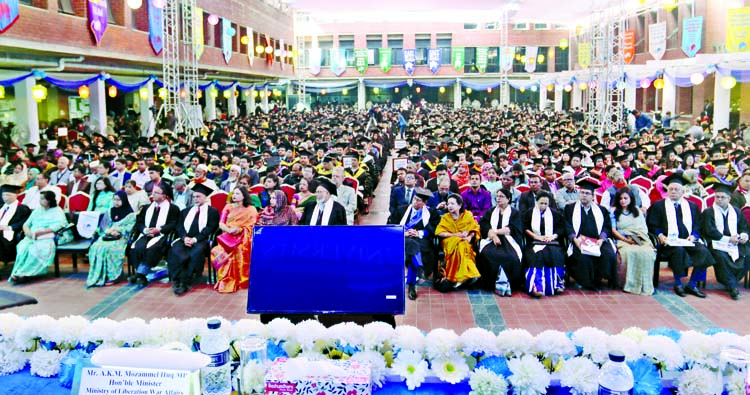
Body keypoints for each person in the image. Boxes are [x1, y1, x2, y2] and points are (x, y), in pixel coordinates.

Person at [646, 172, 714, 298]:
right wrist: (660, 235)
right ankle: (678, 283)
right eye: (670, 189)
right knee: (678, 250)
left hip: (688, 240)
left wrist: (694, 235)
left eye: (676, 189)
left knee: (704, 251)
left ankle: (692, 284)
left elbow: (698, 225)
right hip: (667, 242)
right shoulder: (659, 206)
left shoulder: (692, 206)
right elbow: (652, 225)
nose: (673, 191)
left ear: (683, 191)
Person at [564, 178, 618, 291]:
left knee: (608, 254)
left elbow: (606, 227)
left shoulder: (601, 210)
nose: (584, 195)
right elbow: (567, 225)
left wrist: (602, 239)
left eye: (587, 193)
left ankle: (598, 279)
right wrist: (574, 239)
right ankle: (586, 282)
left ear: (593, 196)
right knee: (583, 257)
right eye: (582, 192)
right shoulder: (570, 209)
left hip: (597, 241)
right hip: (579, 241)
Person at [167, 183, 220, 295]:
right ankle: (180, 279)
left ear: (206, 197)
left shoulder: (213, 212)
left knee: (196, 252)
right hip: (185, 239)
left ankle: (186, 280)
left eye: (199, 196)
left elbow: (210, 228)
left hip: (202, 240)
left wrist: (195, 239)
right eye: (194, 196)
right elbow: (179, 226)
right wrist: (184, 237)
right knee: (175, 250)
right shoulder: (186, 211)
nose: (196, 199)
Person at [701, 183, 750, 300]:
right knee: (721, 256)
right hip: (717, 243)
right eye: (717, 197)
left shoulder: (737, 212)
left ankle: (730, 280)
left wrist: (744, 236)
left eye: (723, 197)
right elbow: (709, 230)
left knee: (748, 254)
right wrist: (727, 239)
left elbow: (744, 227)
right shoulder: (709, 212)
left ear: (729, 198)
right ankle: (732, 286)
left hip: (735, 242)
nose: (719, 200)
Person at [128, 182, 181, 288]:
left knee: (152, 248)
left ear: (164, 196)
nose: (153, 195)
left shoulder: (173, 208)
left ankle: (140, 274)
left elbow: (174, 223)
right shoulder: (147, 207)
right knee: (136, 247)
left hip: (162, 235)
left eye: (156, 193)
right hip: (146, 234)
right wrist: (145, 229)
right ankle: (141, 274)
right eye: (153, 192)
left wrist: (159, 229)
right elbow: (139, 222)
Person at [389, 187, 438, 300]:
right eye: (415, 199)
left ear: (425, 203)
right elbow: (391, 225)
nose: (415, 202)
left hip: (421, 240)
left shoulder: (430, 213)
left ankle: (412, 283)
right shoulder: (401, 210)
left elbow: (434, 229)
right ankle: (418, 272)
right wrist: (403, 233)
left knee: (413, 249)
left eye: (419, 200)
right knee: (411, 244)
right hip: (403, 239)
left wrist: (419, 232)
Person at [8, 191, 68, 283]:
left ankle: (24, 273)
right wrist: (28, 232)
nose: (40, 201)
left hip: (46, 236)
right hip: (32, 235)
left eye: (43, 199)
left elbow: (59, 225)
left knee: (36, 249)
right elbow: (26, 224)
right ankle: (18, 272)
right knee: (22, 247)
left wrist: (41, 232)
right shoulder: (37, 210)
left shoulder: (57, 210)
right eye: (40, 198)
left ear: (49, 200)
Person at [211, 186, 258, 293]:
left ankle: (240, 280)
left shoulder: (251, 209)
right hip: (227, 238)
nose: (234, 196)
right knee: (217, 251)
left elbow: (252, 226)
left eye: (237, 194)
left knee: (239, 249)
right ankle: (224, 279)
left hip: (243, 238)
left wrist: (240, 229)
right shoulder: (228, 207)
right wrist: (228, 230)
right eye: (233, 193)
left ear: (243, 196)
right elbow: (221, 223)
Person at [610, 187, 657, 295]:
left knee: (647, 253)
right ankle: (629, 284)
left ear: (631, 198)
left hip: (638, 237)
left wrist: (637, 238)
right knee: (628, 253)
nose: (623, 201)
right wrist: (625, 239)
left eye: (625, 198)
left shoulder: (637, 211)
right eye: (620, 198)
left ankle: (644, 285)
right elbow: (613, 230)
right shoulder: (613, 211)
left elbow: (643, 228)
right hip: (622, 239)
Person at [85, 190, 136, 287]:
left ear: (124, 200)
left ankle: (113, 276)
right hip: (107, 236)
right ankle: (98, 275)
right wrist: (108, 231)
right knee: (96, 247)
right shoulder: (109, 211)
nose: (116, 202)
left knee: (111, 249)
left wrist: (118, 230)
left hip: (121, 238)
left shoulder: (130, 214)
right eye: (114, 200)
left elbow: (130, 228)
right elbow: (103, 226)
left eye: (119, 200)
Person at [477, 188, 523, 296]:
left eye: (502, 197)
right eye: (497, 196)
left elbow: (513, 228)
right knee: (487, 254)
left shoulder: (515, 213)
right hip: (491, 240)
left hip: (508, 240)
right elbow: (484, 225)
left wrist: (495, 232)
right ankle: (491, 283)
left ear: (508, 199)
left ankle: (507, 284)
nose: (499, 199)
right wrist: (492, 236)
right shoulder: (491, 211)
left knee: (511, 257)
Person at [522, 190, 566, 297]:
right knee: (536, 256)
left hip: (552, 242)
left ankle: (556, 284)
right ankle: (536, 286)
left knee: (556, 255)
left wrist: (552, 237)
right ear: (536, 202)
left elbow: (560, 229)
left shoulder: (555, 214)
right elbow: (524, 228)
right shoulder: (528, 213)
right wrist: (536, 237)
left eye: (546, 203)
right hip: (534, 242)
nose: (543, 205)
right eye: (541, 203)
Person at [435, 193, 481, 290]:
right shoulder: (445, 218)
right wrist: (456, 235)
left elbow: (475, 228)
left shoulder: (467, 215)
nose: (450, 206)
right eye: (448, 204)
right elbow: (439, 232)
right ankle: (468, 276)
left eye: (452, 203)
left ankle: (457, 280)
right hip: (449, 241)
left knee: (463, 245)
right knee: (460, 244)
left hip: (465, 241)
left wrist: (470, 236)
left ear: (460, 205)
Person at [0, 184, 32, 265]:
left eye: (8, 195)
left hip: (12, 234)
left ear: (15, 195)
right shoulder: (1, 207)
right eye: (3, 195)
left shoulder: (22, 208)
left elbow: (24, 222)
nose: (5, 197)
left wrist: (9, 227)